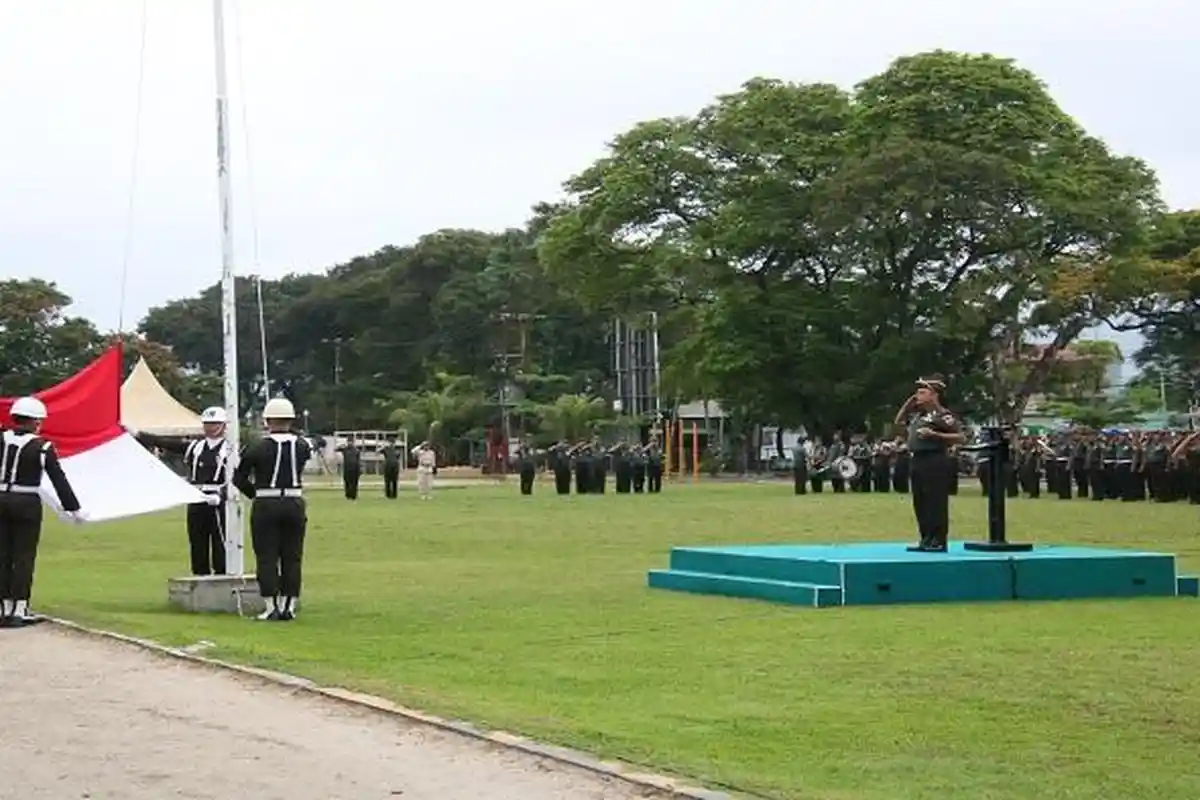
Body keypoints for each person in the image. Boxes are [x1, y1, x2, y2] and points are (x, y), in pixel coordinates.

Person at [0, 397, 86, 628]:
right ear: (35, 422)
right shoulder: (43, 447)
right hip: (26, 501)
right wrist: (73, 508)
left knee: (4, 554)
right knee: (23, 555)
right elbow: (58, 479)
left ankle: (4, 607)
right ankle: (19, 609)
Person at [232, 397, 311, 622]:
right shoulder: (302, 445)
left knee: (267, 556)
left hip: (266, 502)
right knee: (292, 556)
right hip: (294, 501)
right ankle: (289, 605)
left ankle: (270, 606)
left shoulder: (257, 446)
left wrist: (255, 494)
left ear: (267, 420)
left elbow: (239, 478)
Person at [893, 375, 963, 553]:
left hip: (935, 459)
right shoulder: (919, 415)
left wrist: (935, 436)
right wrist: (908, 404)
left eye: (922, 392)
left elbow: (960, 437)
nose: (918, 396)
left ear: (934, 395)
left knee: (935, 501)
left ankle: (939, 540)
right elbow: (898, 422)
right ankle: (926, 538)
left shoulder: (943, 415)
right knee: (920, 501)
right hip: (917, 459)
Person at [181, 406, 234, 575]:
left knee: (220, 541)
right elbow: (169, 444)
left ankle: (221, 576)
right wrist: (139, 434)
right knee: (197, 541)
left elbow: (237, 479)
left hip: (219, 500)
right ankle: (199, 576)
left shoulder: (231, 448)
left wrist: (222, 495)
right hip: (197, 498)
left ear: (224, 425)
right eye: (207, 424)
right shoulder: (196, 447)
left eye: (214, 424)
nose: (210, 427)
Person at [338, 436, 361, 500]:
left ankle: (353, 495)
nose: (349, 443)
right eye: (348, 442)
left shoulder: (357, 450)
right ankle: (348, 495)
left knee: (354, 482)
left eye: (351, 442)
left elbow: (358, 460)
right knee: (347, 482)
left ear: (353, 442)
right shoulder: (345, 449)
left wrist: (359, 470)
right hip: (347, 468)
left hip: (354, 468)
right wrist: (341, 445)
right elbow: (336, 449)